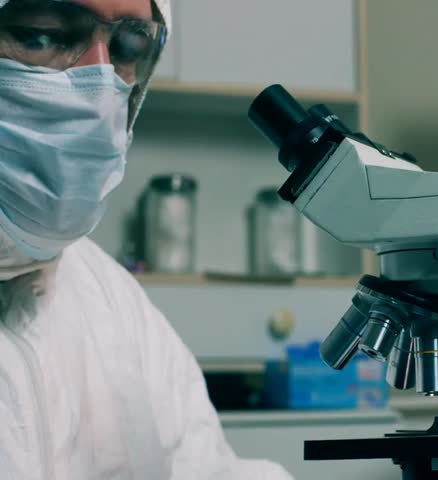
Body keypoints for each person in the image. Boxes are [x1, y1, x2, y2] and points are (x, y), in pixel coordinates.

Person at [0, 0, 294, 478]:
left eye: (127, 46)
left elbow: (205, 469)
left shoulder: (107, 297)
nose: (100, 86)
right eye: (41, 34)